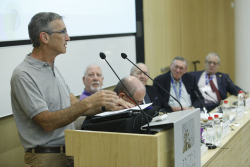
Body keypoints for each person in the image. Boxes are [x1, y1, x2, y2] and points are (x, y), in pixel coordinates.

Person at [10, 12, 133, 167]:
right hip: (46, 158)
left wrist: (108, 106)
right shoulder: (24, 74)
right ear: (44, 37)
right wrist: (88, 102)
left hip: (71, 151)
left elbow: (74, 107)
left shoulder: (52, 68)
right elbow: (47, 122)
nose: (68, 37)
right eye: (62, 32)